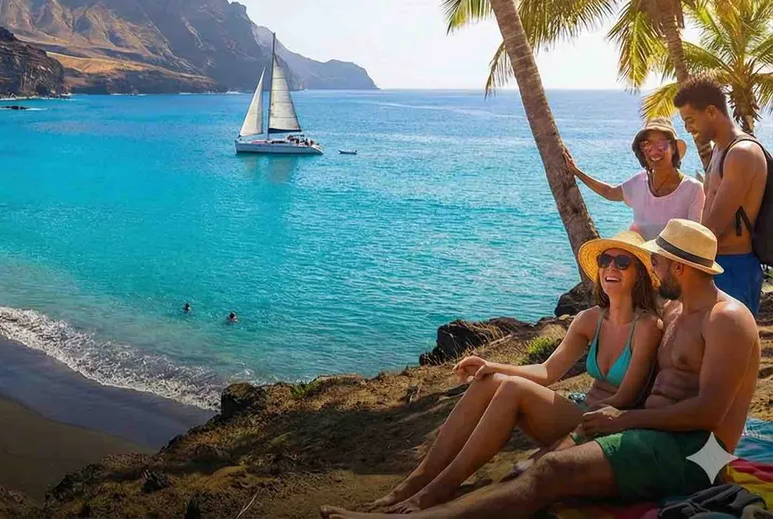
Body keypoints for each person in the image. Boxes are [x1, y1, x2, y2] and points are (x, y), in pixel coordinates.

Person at [321, 219, 760, 519]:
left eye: (656, 261)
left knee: (548, 473)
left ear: (679, 267)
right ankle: (425, 488)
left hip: (701, 453)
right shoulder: (678, 311)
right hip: (648, 434)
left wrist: (621, 418)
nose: (651, 267)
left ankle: (424, 509)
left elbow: (708, 413)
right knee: (516, 413)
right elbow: (566, 370)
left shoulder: (727, 320)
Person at [367, 231, 664, 512]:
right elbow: (548, 371)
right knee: (491, 381)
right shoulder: (589, 319)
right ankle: (420, 478)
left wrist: (571, 438)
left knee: (512, 388)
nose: (611, 267)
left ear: (638, 272)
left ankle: (436, 491)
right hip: (577, 411)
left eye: (622, 262)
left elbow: (625, 397)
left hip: (604, 428)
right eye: (605, 260)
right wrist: (490, 365)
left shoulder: (648, 326)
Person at [675, 78, 767, 313]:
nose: (687, 128)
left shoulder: (742, 153)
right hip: (718, 264)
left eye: (690, 120)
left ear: (711, 112)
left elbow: (714, 226)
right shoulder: (720, 149)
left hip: (734, 266)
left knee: (730, 345)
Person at [565, 118, 704, 240]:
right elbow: (609, 191)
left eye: (661, 144)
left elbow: (692, 238)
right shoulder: (639, 182)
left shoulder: (693, 189)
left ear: (673, 148)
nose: (654, 151)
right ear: (642, 152)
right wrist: (576, 171)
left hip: (673, 267)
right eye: (647, 145)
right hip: (639, 262)